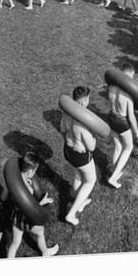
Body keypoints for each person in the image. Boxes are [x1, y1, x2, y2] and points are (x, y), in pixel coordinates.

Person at [1, 152, 59, 258]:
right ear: (30, 171)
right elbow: (31, 208)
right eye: (35, 171)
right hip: (27, 219)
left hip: (15, 218)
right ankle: (45, 252)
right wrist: (43, 202)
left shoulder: (12, 184)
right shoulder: (27, 188)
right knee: (40, 233)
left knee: (15, 243)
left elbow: (3, 198)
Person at [60, 86, 97, 225]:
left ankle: (80, 201)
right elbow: (91, 147)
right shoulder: (83, 124)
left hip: (67, 150)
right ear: (83, 102)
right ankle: (71, 213)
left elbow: (62, 130)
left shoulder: (65, 114)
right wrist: (94, 137)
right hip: (81, 156)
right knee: (90, 181)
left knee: (77, 176)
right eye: (88, 99)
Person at [106, 64, 138, 189]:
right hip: (121, 122)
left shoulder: (111, 87)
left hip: (110, 117)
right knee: (128, 148)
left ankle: (115, 170)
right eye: (131, 77)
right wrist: (137, 132)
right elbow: (131, 116)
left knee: (118, 146)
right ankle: (113, 178)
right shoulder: (128, 95)